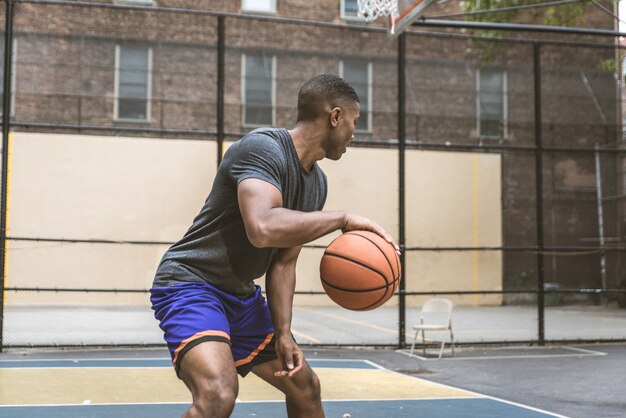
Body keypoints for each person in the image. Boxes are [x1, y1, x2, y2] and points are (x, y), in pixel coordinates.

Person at [150, 74, 399, 418]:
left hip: (240, 296)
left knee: (304, 385)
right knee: (218, 393)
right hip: (191, 283)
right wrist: (342, 219)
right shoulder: (262, 148)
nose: (354, 134)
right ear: (335, 117)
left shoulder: (316, 183)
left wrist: (284, 333)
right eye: (355, 122)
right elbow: (263, 228)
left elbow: (283, 263)